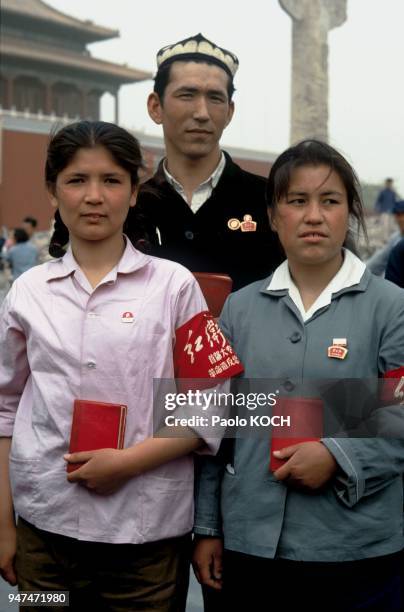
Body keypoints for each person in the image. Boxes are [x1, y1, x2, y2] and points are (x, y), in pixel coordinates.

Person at [0, 120, 243, 612]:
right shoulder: (27, 291)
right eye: (76, 180)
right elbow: (5, 409)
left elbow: (208, 405)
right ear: (53, 191)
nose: (94, 196)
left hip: (146, 540)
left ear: (134, 192)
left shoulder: (176, 286)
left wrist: (126, 464)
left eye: (111, 181)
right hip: (43, 534)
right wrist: (5, 526)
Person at [193, 140, 404, 611]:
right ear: (272, 216)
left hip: (356, 550)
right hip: (248, 547)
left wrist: (336, 454)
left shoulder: (392, 307)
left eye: (329, 201)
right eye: (297, 201)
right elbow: (213, 423)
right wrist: (208, 527)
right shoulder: (238, 310)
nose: (313, 216)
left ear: (349, 213)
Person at [133, 33, 282, 291]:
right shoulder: (132, 205)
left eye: (215, 98)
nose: (202, 113)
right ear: (155, 107)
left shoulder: (271, 201)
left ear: (230, 112)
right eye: (187, 95)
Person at [367, 200, 404, 276]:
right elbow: (379, 260)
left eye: (402, 214)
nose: (400, 219)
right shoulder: (396, 238)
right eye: (397, 215)